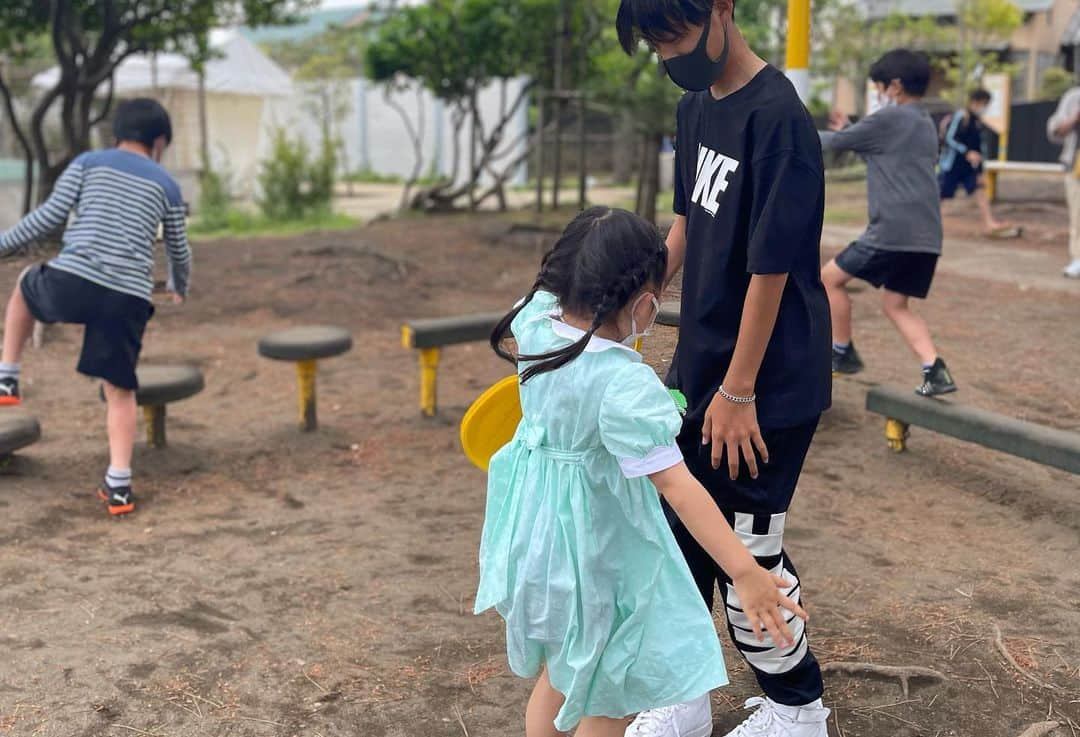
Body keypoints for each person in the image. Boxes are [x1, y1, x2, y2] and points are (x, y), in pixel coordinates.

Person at [476, 207, 808, 737]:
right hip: (595, 560)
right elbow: (678, 486)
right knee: (609, 695)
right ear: (648, 304)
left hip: (536, 545)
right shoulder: (623, 386)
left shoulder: (534, 323)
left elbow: (550, 296)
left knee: (560, 672)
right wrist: (745, 572)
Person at [616, 2, 833, 735]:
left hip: (766, 381)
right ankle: (683, 694)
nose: (666, 54)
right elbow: (685, 223)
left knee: (748, 552)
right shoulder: (693, 110)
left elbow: (770, 271)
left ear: (721, 11)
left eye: (673, 35)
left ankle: (798, 709)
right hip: (702, 365)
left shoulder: (779, 121)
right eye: (654, 44)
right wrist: (628, 301)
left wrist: (739, 391)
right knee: (682, 535)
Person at [0, 98, 191, 515]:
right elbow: (178, 248)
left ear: (117, 133)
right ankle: (119, 486)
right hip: (126, 298)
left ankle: (7, 378)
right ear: (159, 142)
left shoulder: (88, 163)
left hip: (72, 281)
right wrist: (179, 284)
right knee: (120, 390)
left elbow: (48, 216)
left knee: (24, 286)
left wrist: (2, 245)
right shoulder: (168, 185)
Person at [820, 49, 957, 397]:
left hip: (891, 232)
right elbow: (884, 155)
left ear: (894, 86)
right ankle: (935, 369)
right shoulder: (925, 124)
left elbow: (832, 142)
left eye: (880, 87)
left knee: (828, 279)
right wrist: (854, 131)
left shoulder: (889, 119)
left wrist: (783, 131)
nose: (880, 93)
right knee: (896, 305)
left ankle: (842, 351)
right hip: (927, 237)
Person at [938, 88, 1011, 235]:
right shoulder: (961, 116)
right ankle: (928, 225)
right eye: (983, 103)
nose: (984, 107)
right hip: (953, 165)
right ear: (975, 102)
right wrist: (966, 152)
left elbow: (979, 147)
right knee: (941, 196)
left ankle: (989, 223)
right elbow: (950, 138)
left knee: (980, 192)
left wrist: (980, 169)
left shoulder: (978, 121)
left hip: (970, 167)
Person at [1046, 85, 1080, 279]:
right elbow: (1055, 131)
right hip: (1076, 163)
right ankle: (1077, 257)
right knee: (1077, 213)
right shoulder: (1074, 97)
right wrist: (1075, 118)